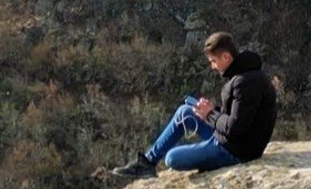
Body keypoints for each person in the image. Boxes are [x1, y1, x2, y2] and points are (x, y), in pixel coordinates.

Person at [112, 32, 277, 178]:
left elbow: (236, 128)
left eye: (214, 61)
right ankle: (147, 163)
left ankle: (202, 151)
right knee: (185, 112)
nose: (213, 66)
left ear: (226, 57)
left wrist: (209, 114)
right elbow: (239, 116)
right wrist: (211, 111)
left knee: (172, 158)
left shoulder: (245, 82)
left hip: (237, 150)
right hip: (231, 139)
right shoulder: (243, 74)